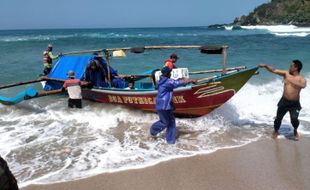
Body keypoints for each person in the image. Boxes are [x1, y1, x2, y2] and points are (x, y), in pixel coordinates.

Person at [259, 60, 307, 140]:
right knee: (278, 118)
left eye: (291, 66)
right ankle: (276, 131)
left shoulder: (301, 79)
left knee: (294, 119)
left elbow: (303, 85)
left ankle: (295, 130)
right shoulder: (286, 74)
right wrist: (266, 66)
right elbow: (274, 70)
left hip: (294, 104)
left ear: (296, 68)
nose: (290, 67)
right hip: (284, 101)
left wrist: (290, 80)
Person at [150, 66, 196, 144]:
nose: (171, 74)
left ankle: (170, 141)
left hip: (164, 105)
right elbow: (176, 83)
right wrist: (188, 81)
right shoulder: (168, 82)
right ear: (167, 74)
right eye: (170, 73)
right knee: (165, 122)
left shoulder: (161, 81)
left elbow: (174, 81)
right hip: (164, 106)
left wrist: (182, 80)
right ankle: (152, 131)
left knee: (171, 122)